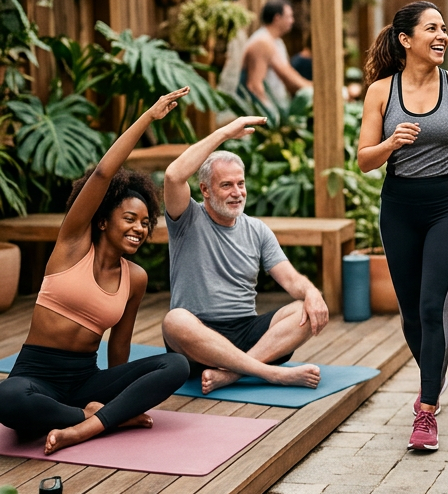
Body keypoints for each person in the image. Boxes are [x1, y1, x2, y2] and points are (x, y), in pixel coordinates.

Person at [0, 90, 190, 454]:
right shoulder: (72, 246)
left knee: (176, 364)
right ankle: (93, 418)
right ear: (102, 221)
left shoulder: (135, 278)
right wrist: (148, 117)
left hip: (86, 379)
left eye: (145, 223)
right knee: (7, 398)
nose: (139, 228)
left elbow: (119, 345)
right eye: (130, 218)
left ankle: (84, 426)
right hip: (37, 376)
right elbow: (103, 173)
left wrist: (119, 393)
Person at [357, 1, 448, 451]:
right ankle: (433, 374)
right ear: (406, 39)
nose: (442, 37)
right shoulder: (381, 92)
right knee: (411, 313)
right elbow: (363, 160)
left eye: (444, 29)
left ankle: (426, 409)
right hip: (398, 208)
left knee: (433, 307)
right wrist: (390, 143)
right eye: (431, 29)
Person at [160, 123, 327, 394]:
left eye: (241, 183)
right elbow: (173, 175)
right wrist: (225, 133)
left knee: (303, 310)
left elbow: (291, 279)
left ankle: (230, 374)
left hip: (246, 332)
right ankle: (270, 373)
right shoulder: (187, 218)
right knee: (174, 321)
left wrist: (312, 293)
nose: (237, 192)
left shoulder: (257, 229)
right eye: (226, 185)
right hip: (197, 337)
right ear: (205, 190)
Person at [240, 0, 312, 107]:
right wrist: (269, 114)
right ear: (277, 18)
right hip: (264, 110)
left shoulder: (276, 41)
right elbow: (254, 85)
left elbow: (287, 74)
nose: (292, 21)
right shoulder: (261, 42)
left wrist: (313, 88)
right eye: (289, 17)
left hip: (279, 105)